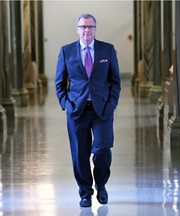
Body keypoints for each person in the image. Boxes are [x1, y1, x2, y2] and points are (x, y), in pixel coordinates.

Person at [55, 14, 121, 208]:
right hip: (77, 110)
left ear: (95, 29)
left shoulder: (107, 50)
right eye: (83, 27)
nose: (87, 30)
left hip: (102, 110)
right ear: (77, 29)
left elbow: (115, 81)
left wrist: (112, 104)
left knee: (102, 149)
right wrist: (66, 104)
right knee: (80, 154)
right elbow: (59, 83)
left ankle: (101, 184)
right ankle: (85, 192)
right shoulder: (66, 51)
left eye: (91, 27)